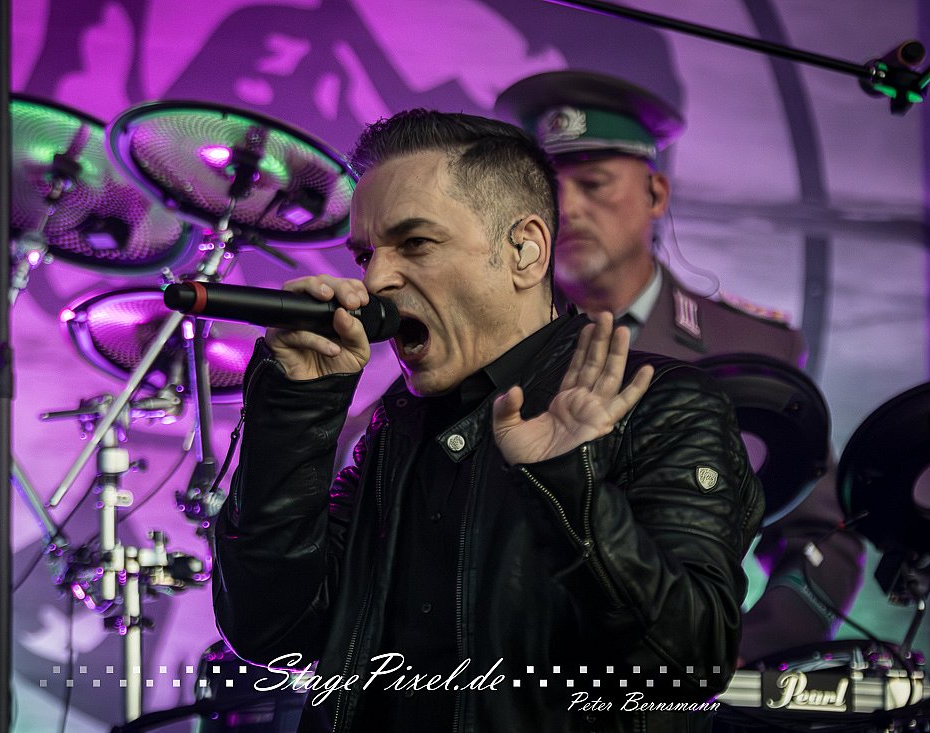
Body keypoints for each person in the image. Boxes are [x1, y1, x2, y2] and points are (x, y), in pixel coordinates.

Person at [213, 109, 763, 733]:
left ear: (525, 251)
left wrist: (569, 492)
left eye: (416, 244)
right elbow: (271, 631)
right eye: (366, 254)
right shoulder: (395, 426)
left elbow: (689, 666)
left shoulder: (664, 404)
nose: (374, 280)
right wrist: (293, 411)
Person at [495, 70, 863, 663]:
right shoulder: (492, 344)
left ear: (656, 194)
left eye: (593, 184)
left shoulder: (749, 344)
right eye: (546, 191)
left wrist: (740, 653)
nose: (567, 209)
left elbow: (819, 535)